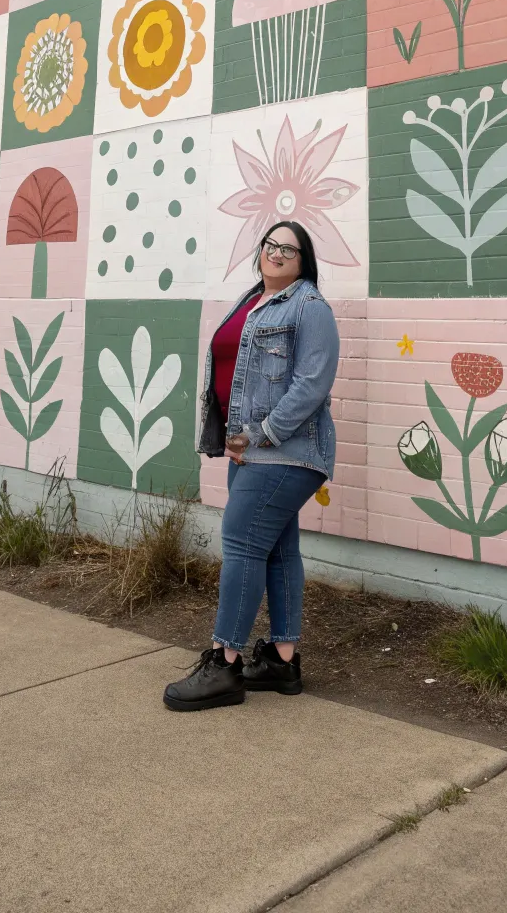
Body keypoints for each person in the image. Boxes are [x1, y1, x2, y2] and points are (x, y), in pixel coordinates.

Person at [163, 220, 339, 712]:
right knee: (278, 549)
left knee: (241, 541)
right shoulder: (252, 300)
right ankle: (283, 661)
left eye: (289, 248)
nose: (276, 253)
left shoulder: (310, 307)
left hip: (287, 449)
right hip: (250, 450)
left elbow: (311, 385)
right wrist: (233, 437)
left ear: (304, 260)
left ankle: (226, 663)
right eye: (270, 244)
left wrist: (261, 433)